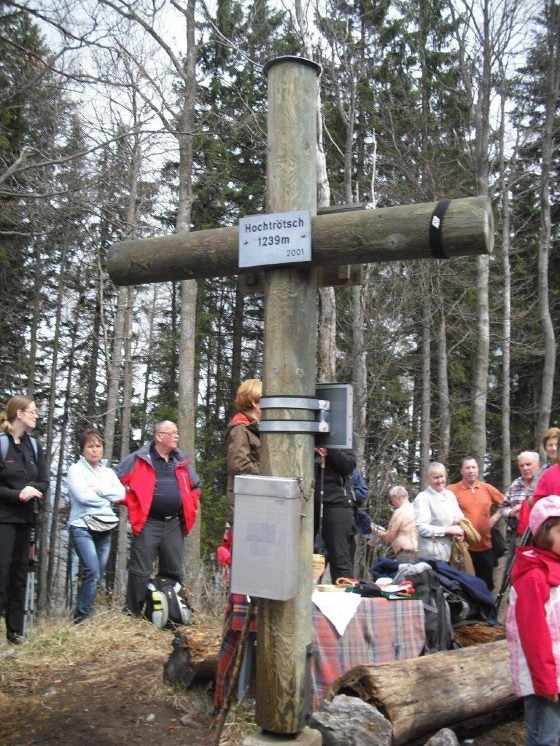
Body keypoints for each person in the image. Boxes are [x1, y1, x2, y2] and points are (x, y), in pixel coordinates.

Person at [116, 421, 201, 616]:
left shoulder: (181, 460)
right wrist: (132, 501)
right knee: (140, 571)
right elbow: (114, 480)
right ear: (159, 436)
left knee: (173, 569)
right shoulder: (139, 459)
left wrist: (189, 504)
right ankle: (132, 614)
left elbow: (196, 486)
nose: (177, 436)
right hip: (148, 522)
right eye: (172, 433)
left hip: (174, 523)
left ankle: (171, 614)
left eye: (177, 432)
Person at [506, 495, 560, 746]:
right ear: (543, 535)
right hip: (543, 680)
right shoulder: (534, 577)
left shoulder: (555, 568)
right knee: (544, 739)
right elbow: (534, 636)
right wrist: (545, 682)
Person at [0, 396, 49, 644]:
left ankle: (15, 632)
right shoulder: (1, 444)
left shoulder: (34, 446)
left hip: (27, 519)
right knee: (1, 575)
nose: (36, 416)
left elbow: (44, 481)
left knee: (20, 575)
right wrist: (16, 494)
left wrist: (33, 490)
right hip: (4, 520)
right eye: (32, 411)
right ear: (19, 414)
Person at [67, 428, 125, 623]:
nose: (94, 450)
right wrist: (106, 498)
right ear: (83, 449)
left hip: (104, 527)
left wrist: (98, 491)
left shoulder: (108, 472)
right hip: (81, 525)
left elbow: (121, 494)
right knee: (91, 570)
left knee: (97, 574)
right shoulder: (75, 470)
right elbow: (82, 496)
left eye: (98, 446)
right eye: (90, 446)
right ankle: (82, 617)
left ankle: (85, 613)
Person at [448, 457, 505, 590]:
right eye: (467, 468)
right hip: (463, 549)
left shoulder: (486, 488)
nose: (471, 471)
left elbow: (506, 503)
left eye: (473, 467)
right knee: (465, 588)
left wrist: (494, 518)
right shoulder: (452, 490)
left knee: (486, 587)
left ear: (478, 469)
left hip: (486, 547)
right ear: (461, 471)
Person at [314, 446, 357, 583]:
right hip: (303, 499)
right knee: (300, 555)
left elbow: (348, 466)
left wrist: (329, 449)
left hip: (336, 502)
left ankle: (343, 594)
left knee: (340, 558)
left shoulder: (345, 435)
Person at [225, 379, 262, 526]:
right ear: (254, 402)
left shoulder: (258, 428)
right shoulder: (240, 428)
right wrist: (269, 468)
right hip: (244, 504)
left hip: (258, 500)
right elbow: (239, 466)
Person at [414, 462, 465, 562]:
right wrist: (447, 530)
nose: (440, 480)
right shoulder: (423, 498)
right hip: (431, 557)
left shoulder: (450, 495)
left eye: (442, 476)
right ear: (428, 480)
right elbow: (422, 528)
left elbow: (459, 516)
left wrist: (459, 532)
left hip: (450, 553)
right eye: (436, 477)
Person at [372, 486, 418, 562]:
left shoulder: (399, 512)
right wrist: (379, 541)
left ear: (396, 497)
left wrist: (375, 530)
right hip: (419, 551)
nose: (393, 504)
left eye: (392, 501)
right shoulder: (416, 510)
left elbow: (389, 536)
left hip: (406, 553)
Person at [500, 451, 540, 537]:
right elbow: (503, 508)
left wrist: (523, 508)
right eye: (521, 465)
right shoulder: (515, 484)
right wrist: (512, 512)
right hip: (517, 534)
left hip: (541, 534)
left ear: (538, 465)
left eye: (528, 464)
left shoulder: (544, 482)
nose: (525, 468)